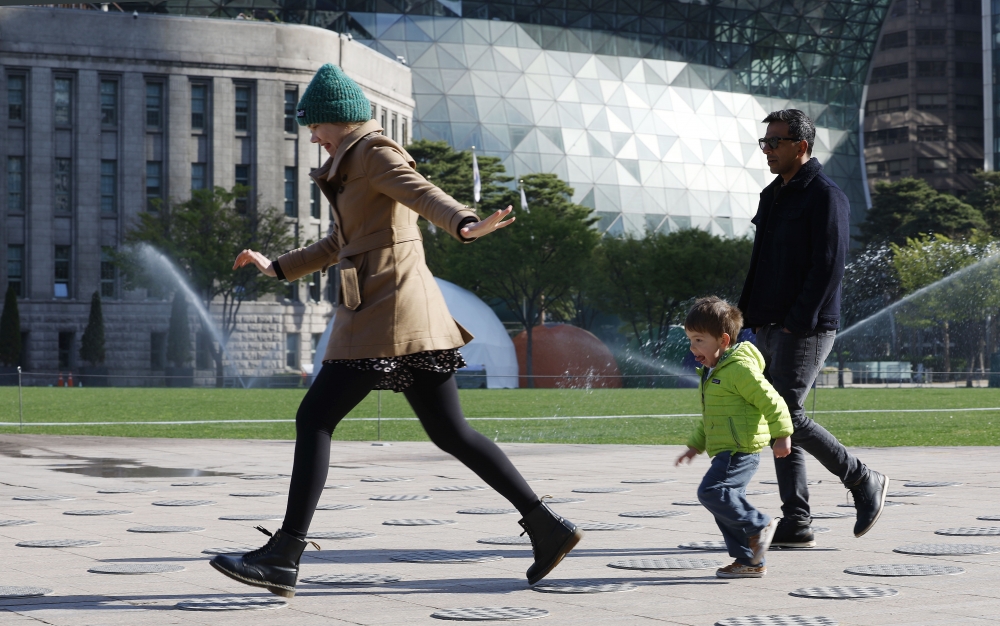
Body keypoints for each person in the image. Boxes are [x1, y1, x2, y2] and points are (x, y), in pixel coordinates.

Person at [210, 64, 583, 598]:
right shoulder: (349, 163)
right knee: (450, 433)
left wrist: (464, 224)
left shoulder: (373, 153)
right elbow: (340, 243)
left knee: (315, 418)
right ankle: (547, 527)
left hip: (386, 311)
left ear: (337, 119)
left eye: (314, 126)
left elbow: (423, 194)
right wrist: (279, 267)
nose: (312, 137)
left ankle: (284, 556)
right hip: (396, 311)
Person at [739, 109, 888, 548]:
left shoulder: (826, 196)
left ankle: (861, 478)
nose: (767, 150)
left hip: (805, 327)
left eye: (775, 142)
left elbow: (829, 266)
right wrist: (742, 319)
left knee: (787, 413)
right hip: (766, 325)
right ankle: (797, 520)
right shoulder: (772, 195)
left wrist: (796, 323)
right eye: (764, 142)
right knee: (778, 419)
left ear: (801, 146)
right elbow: (759, 264)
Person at [676, 297, 793, 578]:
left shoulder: (740, 369)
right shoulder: (713, 372)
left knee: (711, 492)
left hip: (739, 450)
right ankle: (750, 561)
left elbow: (772, 401)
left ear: (723, 340)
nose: (693, 348)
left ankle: (760, 525)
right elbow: (712, 417)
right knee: (726, 508)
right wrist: (695, 446)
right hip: (726, 450)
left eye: (699, 340)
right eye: (690, 340)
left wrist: (782, 435)